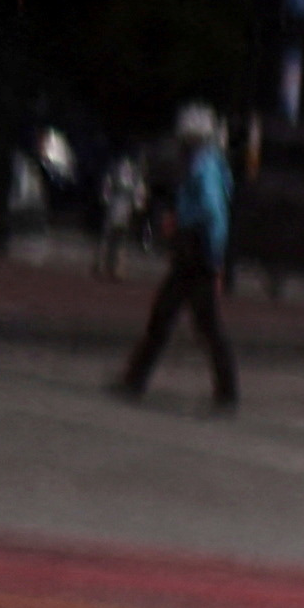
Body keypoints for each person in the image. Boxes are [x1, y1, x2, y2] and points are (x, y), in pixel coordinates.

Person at [112, 110, 240, 411]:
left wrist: (183, 222)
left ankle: (226, 391)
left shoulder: (204, 167)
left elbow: (211, 212)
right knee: (177, 317)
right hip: (196, 253)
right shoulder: (207, 165)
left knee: (192, 321)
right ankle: (137, 378)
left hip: (196, 253)